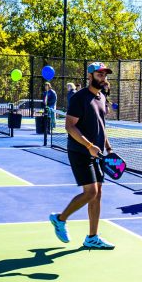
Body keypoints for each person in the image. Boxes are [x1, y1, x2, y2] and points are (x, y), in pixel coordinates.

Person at [49, 62, 115, 249]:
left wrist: (108, 148)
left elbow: (101, 126)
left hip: (98, 152)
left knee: (98, 194)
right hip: (80, 151)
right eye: (100, 74)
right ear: (90, 76)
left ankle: (92, 237)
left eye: (105, 75)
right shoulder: (79, 98)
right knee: (91, 192)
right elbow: (70, 126)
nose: (103, 78)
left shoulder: (102, 97)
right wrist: (89, 145)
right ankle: (60, 219)